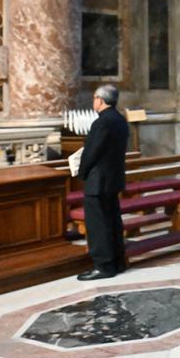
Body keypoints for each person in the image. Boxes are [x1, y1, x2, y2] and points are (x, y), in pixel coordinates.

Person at [76, 84, 130, 281]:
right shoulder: (120, 120)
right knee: (113, 221)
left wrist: (81, 172)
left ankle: (103, 266)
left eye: (94, 98)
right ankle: (117, 263)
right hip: (113, 179)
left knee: (98, 225)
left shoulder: (102, 122)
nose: (94, 102)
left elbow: (92, 153)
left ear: (100, 99)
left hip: (98, 182)